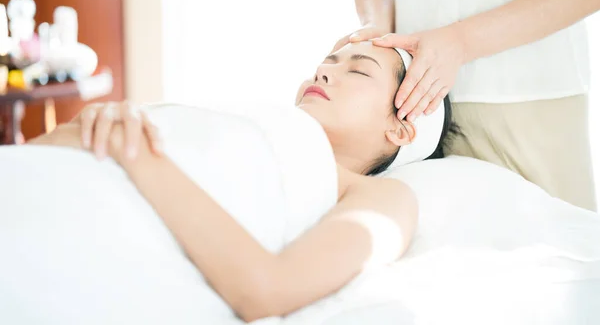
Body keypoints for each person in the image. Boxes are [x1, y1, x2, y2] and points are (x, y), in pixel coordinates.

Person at [25, 42, 455, 321]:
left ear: (400, 130)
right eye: (326, 62)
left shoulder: (382, 197)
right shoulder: (240, 119)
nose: (323, 73)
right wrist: (93, 124)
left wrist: (136, 153)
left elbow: (266, 290)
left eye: (357, 72)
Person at [335, 0, 599, 211]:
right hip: (412, 111)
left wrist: (462, 41)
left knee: (551, 240)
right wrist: (377, 27)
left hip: (530, 106)